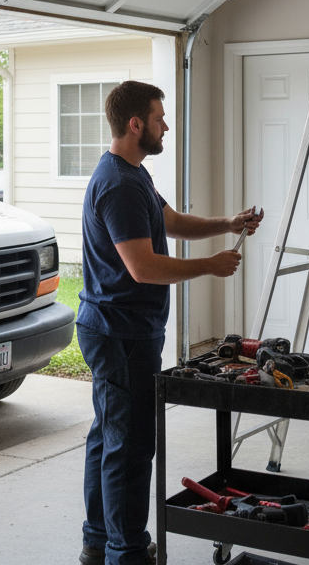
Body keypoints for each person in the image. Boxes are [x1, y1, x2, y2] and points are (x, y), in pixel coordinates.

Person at [78, 80, 263, 565]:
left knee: (108, 437)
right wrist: (209, 266)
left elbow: (172, 222)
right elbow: (144, 267)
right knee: (131, 446)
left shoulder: (132, 173)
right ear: (135, 123)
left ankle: (99, 542)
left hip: (119, 327)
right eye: (160, 117)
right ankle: (127, 551)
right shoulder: (118, 185)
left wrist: (228, 224)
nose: (165, 126)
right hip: (121, 333)